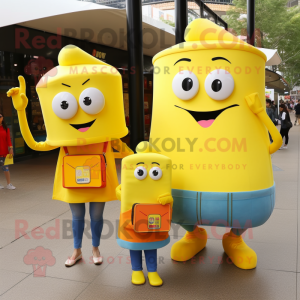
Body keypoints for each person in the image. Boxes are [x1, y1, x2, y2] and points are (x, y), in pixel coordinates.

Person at [0, 112, 16, 189]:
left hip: (4, 152)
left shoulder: (6, 129)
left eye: (0, 116)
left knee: (6, 168)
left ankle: (8, 184)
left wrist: (11, 148)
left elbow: (9, 140)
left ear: (2, 118)